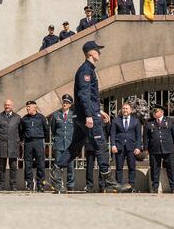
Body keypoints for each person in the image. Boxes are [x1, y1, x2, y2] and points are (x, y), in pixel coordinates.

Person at [48, 41, 130, 193]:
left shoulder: (88, 69)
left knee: (75, 147)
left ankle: (56, 170)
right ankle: (109, 181)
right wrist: (89, 115)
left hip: (84, 115)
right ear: (91, 53)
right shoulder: (86, 70)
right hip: (87, 116)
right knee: (101, 146)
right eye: (98, 50)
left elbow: (89, 96)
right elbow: (83, 94)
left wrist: (98, 111)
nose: (100, 53)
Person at [144, 105, 174, 194]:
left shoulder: (170, 121)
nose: (154, 113)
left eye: (156, 111)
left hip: (168, 149)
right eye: (154, 112)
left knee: (171, 168)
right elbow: (145, 137)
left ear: (162, 112)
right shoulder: (149, 123)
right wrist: (146, 148)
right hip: (154, 149)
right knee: (155, 169)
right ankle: (154, 187)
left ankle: (173, 187)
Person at [110, 102, 141, 190]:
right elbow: (113, 134)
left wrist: (138, 147)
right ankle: (118, 185)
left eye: (127, 109)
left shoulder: (136, 121)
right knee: (119, 167)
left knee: (132, 167)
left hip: (131, 147)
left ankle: (131, 186)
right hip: (119, 147)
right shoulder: (116, 120)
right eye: (123, 108)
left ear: (130, 110)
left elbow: (138, 135)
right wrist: (113, 145)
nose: (125, 110)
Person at [19, 100, 49, 192]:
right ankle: (29, 184)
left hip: (38, 141)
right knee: (28, 163)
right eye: (27, 107)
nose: (27, 108)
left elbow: (46, 130)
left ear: (34, 107)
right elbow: (21, 131)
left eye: (29, 107)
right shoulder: (24, 119)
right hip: (28, 143)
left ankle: (40, 184)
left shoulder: (41, 118)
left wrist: (41, 138)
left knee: (40, 163)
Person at [50, 94, 76, 191]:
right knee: (58, 166)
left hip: (70, 145)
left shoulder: (74, 115)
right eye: (64, 102)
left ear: (70, 104)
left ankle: (71, 185)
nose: (65, 104)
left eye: (67, 103)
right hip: (59, 144)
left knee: (70, 167)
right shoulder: (56, 115)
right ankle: (58, 185)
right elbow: (53, 129)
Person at [0, 99, 21, 191]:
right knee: (1, 167)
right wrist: (0, 138)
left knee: (13, 167)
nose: (7, 106)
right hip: (2, 145)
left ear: (12, 106)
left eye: (9, 105)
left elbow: (20, 131)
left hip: (13, 145)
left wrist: (16, 140)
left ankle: (13, 185)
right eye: (6, 105)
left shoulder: (17, 117)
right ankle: (1, 185)